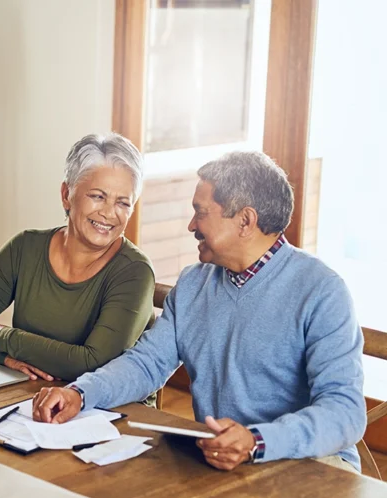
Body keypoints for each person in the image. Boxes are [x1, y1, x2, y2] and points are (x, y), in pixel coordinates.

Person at [32, 151, 367, 472]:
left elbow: (345, 413)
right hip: (221, 462)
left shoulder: (322, 291)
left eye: (201, 212)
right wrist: (80, 392)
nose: (191, 224)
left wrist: (256, 442)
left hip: (310, 466)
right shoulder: (194, 283)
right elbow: (146, 363)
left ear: (245, 221)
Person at [0, 133, 156, 388]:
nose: (109, 213)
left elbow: (94, 364)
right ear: (67, 194)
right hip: (31, 395)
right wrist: (1, 356)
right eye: (97, 196)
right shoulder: (26, 248)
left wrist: (5, 338)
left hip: (109, 410)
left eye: (123, 202)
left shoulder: (135, 272)